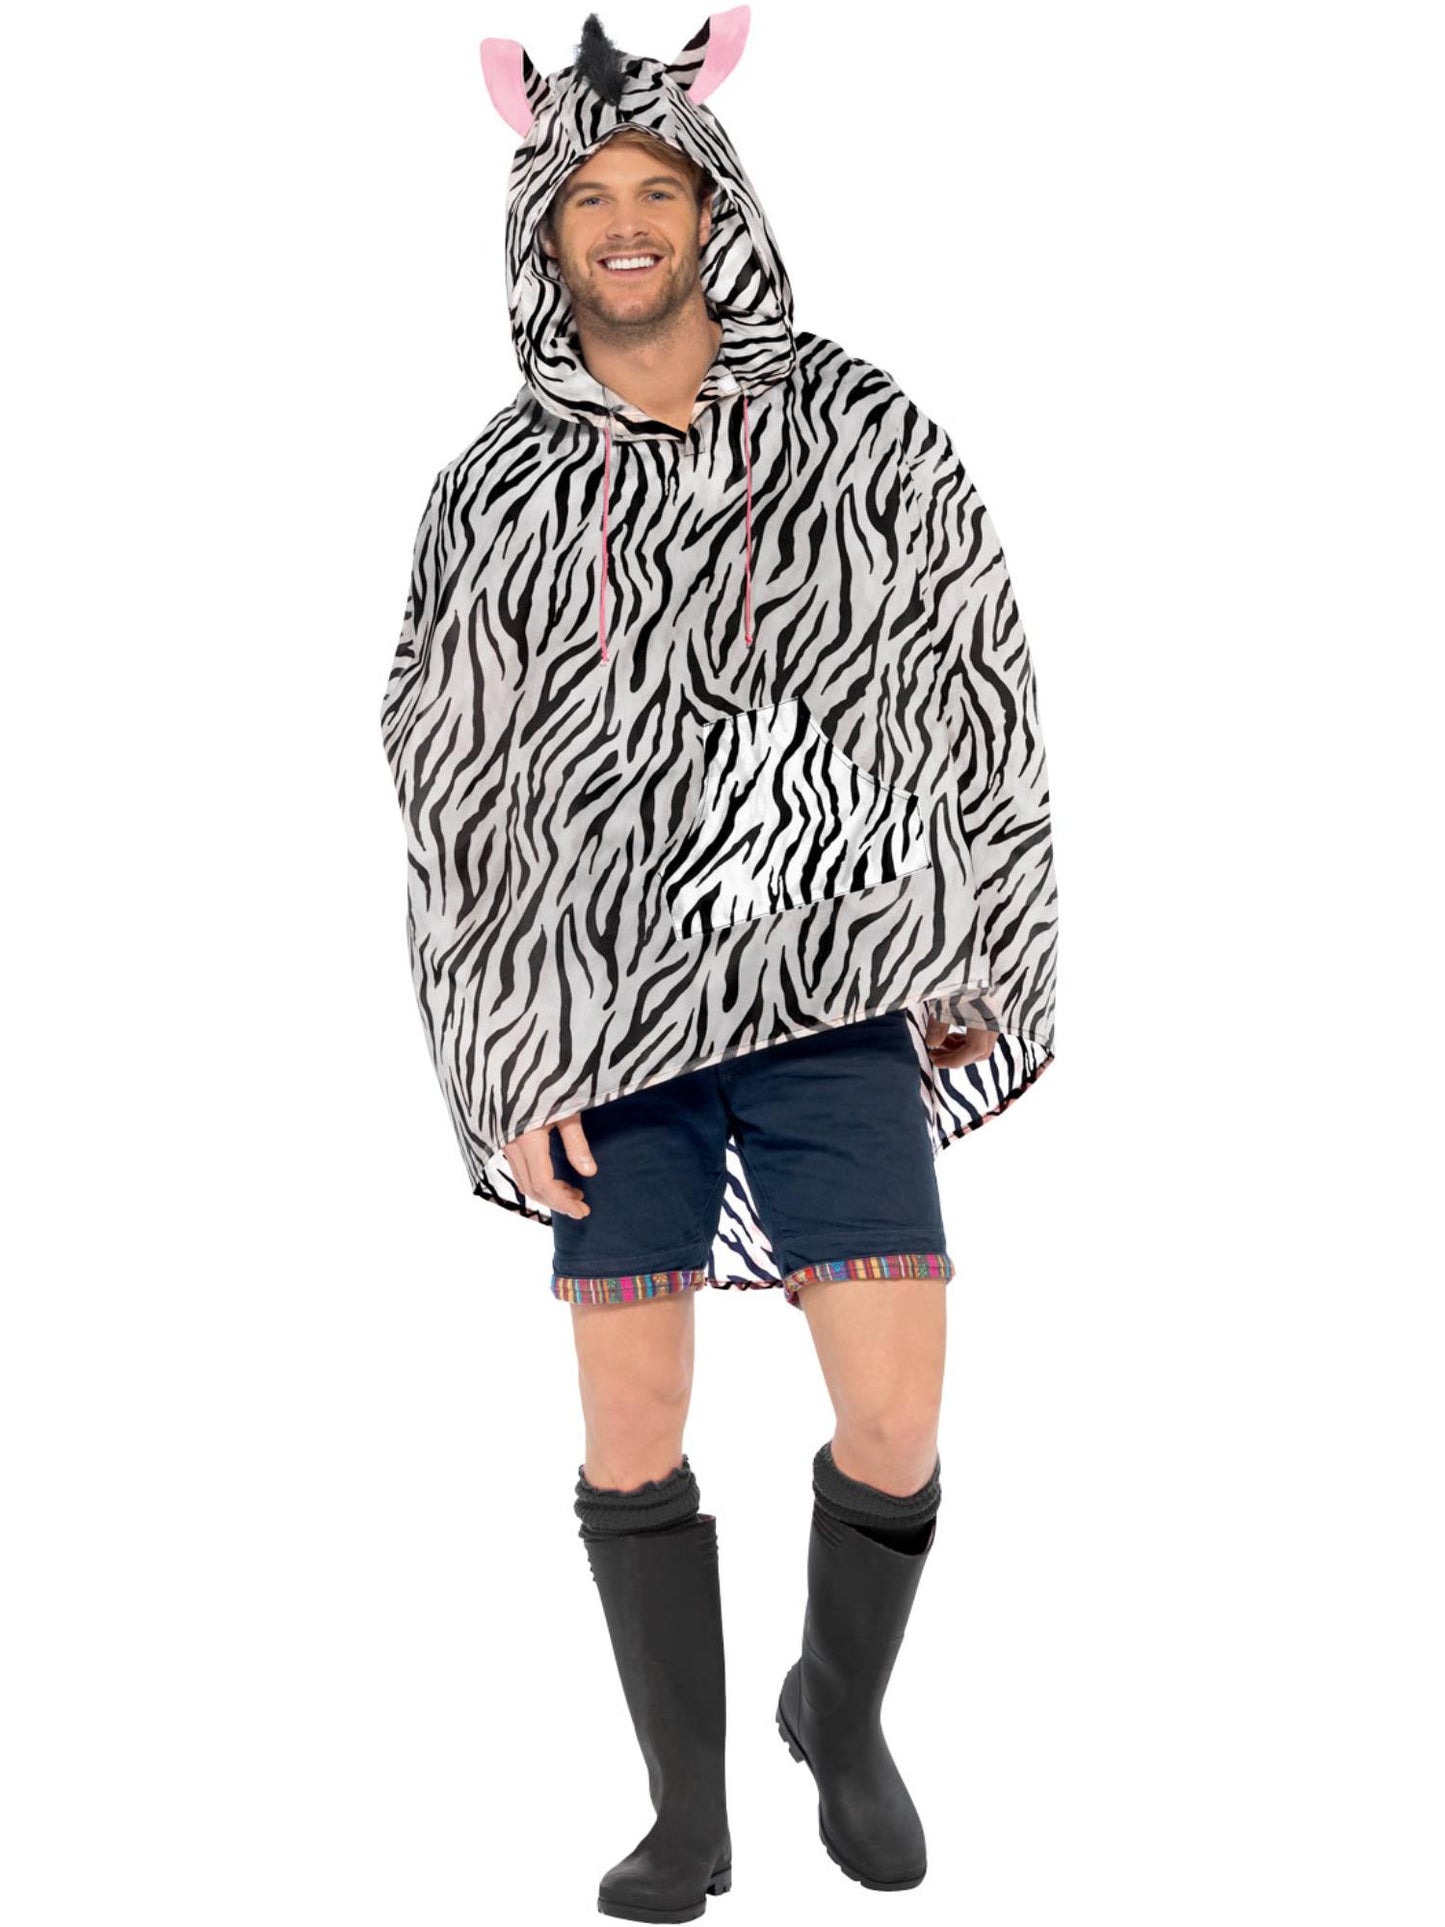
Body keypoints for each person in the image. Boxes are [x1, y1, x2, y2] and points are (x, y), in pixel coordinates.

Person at [380, 10, 1059, 1919]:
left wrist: (972, 933)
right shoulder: (494, 493)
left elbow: (973, 667)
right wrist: (501, 1054)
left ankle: (838, 1708)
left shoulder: (862, 428)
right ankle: (687, 1812)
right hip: (602, 1016)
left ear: (712, 210)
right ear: (544, 227)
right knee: (630, 1420)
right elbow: (449, 777)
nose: (624, 222)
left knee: (898, 1409)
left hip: (830, 984)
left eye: (655, 190)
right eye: (587, 193)